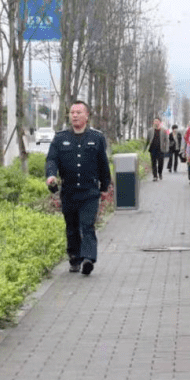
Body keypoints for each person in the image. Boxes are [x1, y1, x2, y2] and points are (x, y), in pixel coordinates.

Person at [45, 100, 112, 276]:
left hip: (90, 191)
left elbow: (103, 164)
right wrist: (51, 175)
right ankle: (74, 257)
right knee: (72, 226)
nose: (74, 115)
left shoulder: (96, 137)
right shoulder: (60, 138)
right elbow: (51, 159)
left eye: (79, 112)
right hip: (69, 191)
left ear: (87, 116)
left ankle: (89, 258)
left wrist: (105, 187)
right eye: (72, 112)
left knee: (87, 225)